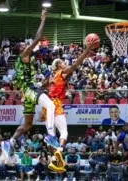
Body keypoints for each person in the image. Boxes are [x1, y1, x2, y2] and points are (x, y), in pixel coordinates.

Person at [41, 39, 98, 172]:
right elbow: (76, 64)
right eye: (63, 62)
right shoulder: (63, 73)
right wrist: (86, 50)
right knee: (64, 132)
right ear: (59, 66)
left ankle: (53, 159)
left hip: (47, 106)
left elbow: (43, 87)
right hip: (56, 104)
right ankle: (59, 150)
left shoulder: (50, 77)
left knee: (51, 135)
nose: (65, 63)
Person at [6, 9, 59, 152]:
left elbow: (42, 75)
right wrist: (43, 19)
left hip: (28, 91)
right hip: (29, 89)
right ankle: (51, 135)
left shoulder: (30, 60)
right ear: (21, 50)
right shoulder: (23, 55)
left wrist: (44, 81)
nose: (26, 45)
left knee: (27, 124)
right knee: (50, 106)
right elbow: (38, 37)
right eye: (24, 45)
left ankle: (10, 141)